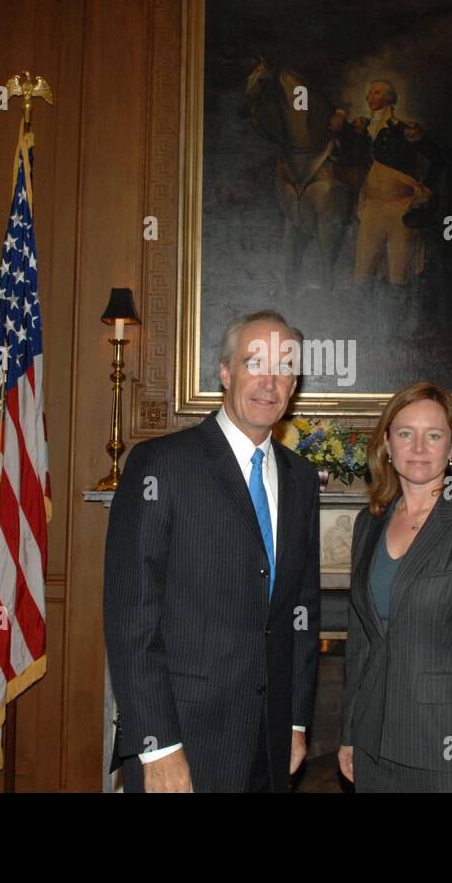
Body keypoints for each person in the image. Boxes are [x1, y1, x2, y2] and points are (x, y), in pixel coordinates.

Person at [104, 310, 321, 792]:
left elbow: (300, 611)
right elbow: (130, 618)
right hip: (182, 741)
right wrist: (157, 745)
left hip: (270, 745)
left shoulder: (301, 479)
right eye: (254, 362)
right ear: (225, 372)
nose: (270, 381)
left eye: (284, 366)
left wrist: (296, 722)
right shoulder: (160, 465)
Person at [339, 381, 452, 792]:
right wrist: (351, 732)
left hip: (445, 753)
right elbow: (361, 644)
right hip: (372, 748)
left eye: (434, 435)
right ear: (387, 443)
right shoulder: (368, 525)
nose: (419, 447)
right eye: (406, 433)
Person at [328, 79, 445, 286]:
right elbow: (341, 143)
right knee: (362, 275)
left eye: (377, 93)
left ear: (390, 98)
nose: (370, 97)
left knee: (398, 276)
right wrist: (340, 112)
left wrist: (426, 188)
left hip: (399, 207)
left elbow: (437, 158)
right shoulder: (361, 129)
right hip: (372, 207)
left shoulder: (405, 129)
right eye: (370, 92)